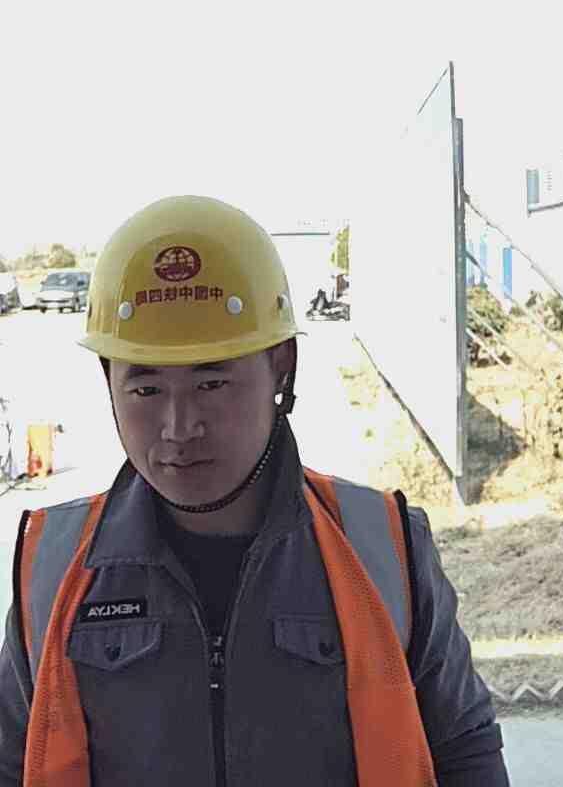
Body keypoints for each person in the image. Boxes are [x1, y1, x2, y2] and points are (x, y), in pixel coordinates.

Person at [0, 196, 511, 786]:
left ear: (281, 368)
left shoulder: (384, 548)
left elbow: (463, 748)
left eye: (212, 382)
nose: (178, 428)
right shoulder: (53, 563)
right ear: (108, 382)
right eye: (146, 390)